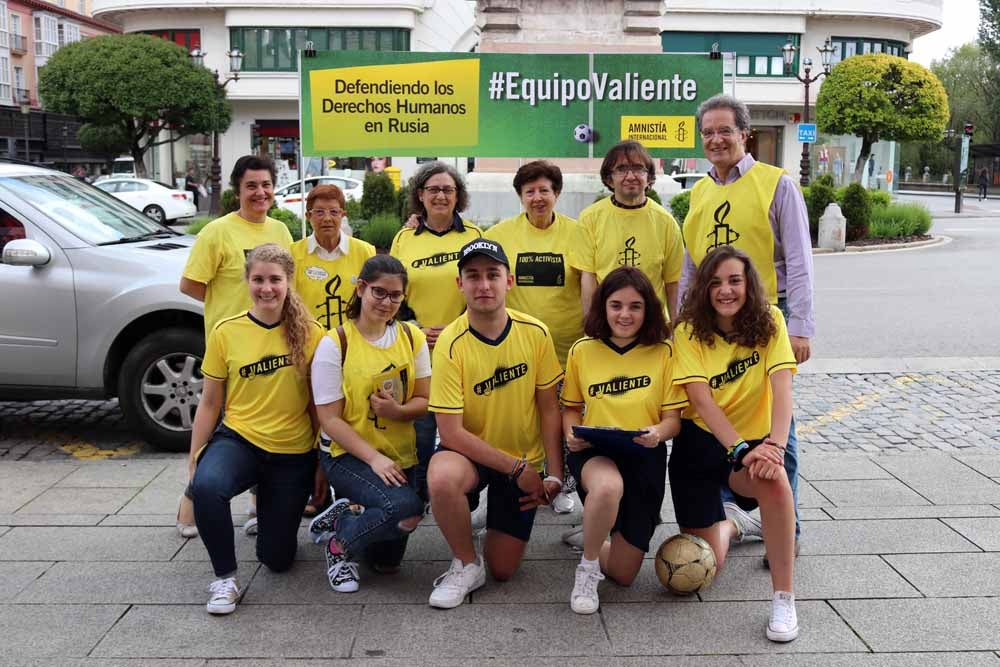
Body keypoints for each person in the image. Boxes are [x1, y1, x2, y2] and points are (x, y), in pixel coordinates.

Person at [680, 94, 813, 564]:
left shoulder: (776, 184)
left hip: (763, 317)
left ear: (744, 134)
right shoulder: (699, 191)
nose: (716, 139)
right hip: (709, 320)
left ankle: (787, 529)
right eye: (708, 132)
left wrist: (800, 324)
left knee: (779, 425)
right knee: (716, 407)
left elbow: (798, 259)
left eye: (724, 130)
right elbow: (690, 265)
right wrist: (683, 320)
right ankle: (728, 513)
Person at [187, 243, 325, 615]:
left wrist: (320, 461)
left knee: (277, 559)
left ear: (289, 281)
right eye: (259, 279)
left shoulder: (313, 333)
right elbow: (211, 402)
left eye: (275, 280)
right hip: (240, 440)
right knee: (207, 486)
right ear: (247, 281)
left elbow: (318, 404)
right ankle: (224, 579)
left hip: (292, 452)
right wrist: (195, 456)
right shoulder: (226, 331)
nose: (267, 288)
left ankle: (272, 509)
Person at [426, 238, 563, 609]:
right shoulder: (451, 343)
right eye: (472, 276)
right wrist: (516, 468)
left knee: (503, 569)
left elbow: (549, 408)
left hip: (521, 455)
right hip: (471, 454)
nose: (483, 285)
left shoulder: (535, 332)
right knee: (441, 477)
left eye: (492, 275)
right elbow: (451, 431)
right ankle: (467, 563)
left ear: (510, 280)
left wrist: (553, 473)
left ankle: (489, 525)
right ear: (459, 284)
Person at [670, 245, 798, 642]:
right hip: (701, 445)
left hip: (755, 443)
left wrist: (774, 446)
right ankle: (736, 524)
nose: (726, 290)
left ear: (749, 285)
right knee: (708, 563)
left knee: (775, 481)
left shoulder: (771, 321)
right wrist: (740, 451)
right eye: (715, 283)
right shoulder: (688, 330)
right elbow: (701, 400)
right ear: (703, 289)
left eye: (735, 281)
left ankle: (784, 599)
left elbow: (782, 387)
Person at [560, 266, 687, 615]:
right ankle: (586, 569)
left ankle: (594, 533)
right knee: (607, 487)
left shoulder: (664, 351)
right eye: (616, 305)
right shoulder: (583, 350)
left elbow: (673, 421)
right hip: (595, 453)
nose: (625, 315)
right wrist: (571, 434)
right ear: (602, 306)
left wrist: (656, 434)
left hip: (645, 455)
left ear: (648, 309)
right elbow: (570, 408)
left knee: (623, 573)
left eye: (635, 306)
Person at [180, 155, 295, 536]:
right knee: (217, 429)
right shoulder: (217, 232)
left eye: (265, 185)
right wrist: (229, 308)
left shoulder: (280, 229)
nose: (260, 192)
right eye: (251, 186)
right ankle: (191, 501)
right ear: (237, 189)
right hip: (231, 347)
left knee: (263, 427)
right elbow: (192, 284)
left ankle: (256, 507)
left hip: (272, 344)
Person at [308, 255, 430, 593]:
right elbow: (329, 419)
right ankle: (339, 547)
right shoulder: (337, 344)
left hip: (400, 455)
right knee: (406, 512)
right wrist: (374, 458)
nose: (387, 302)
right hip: (348, 455)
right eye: (379, 292)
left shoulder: (411, 337)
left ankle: (345, 515)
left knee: (387, 563)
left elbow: (424, 400)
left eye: (395, 295)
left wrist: (398, 412)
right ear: (361, 289)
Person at [485, 160, 583, 513]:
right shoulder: (499, 235)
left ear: (556, 194)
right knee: (517, 418)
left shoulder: (579, 232)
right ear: (520, 196)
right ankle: (511, 481)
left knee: (562, 417)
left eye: (544, 190)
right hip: (517, 348)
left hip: (567, 348)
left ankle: (563, 483)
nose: (537, 198)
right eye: (530, 192)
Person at [390, 161, 482, 501]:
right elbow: (393, 293)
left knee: (465, 427)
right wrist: (415, 328)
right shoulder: (404, 238)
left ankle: (465, 495)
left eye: (448, 189)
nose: (441, 195)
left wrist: (456, 328)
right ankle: (418, 497)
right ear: (420, 195)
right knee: (421, 431)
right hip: (418, 350)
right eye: (433, 189)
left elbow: (481, 289)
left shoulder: (473, 236)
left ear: (458, 196)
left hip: (462, 346)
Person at [570, 140, 684, 322]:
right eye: (622, 169)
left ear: (649, 177)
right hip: (608, 322)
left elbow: (672, 282)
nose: (630, 176)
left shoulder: (666, 222)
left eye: (638, 169)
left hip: (651, 325)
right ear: (609, 178)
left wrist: (675, 328)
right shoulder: (590, 219)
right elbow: (588, 277)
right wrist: (591, 322)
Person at [291, 183, 376, 330]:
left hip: (353, 343)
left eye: (334, 212)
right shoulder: (293, 254)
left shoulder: (365, 252)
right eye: (319, 212)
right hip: (308, 342)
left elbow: (374, 301)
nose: (327, 218)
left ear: (343, 215)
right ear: (308, 216)